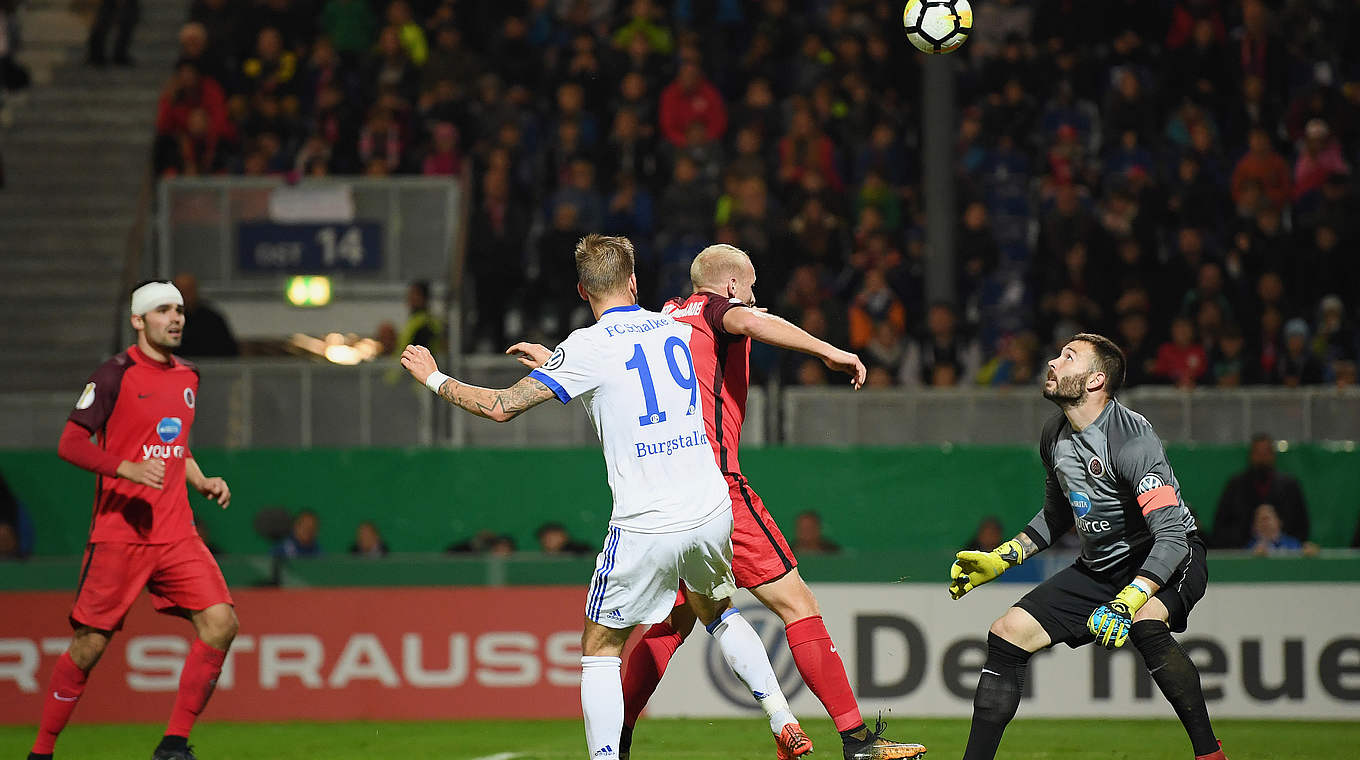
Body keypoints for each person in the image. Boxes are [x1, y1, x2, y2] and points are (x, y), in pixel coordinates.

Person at [401, 234, 809, 760]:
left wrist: (433, 377)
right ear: (634, 280)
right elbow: (632, 379)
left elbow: (501, 406)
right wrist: (557, 364)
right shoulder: (673, 324)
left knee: (600, 649)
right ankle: (782, 717)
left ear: (581, 289)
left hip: (646, 523)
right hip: (709, 510)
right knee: (718, 611)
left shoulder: (587, 348)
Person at [513, 244, 924, 759]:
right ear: (732, 288)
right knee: (798, 606)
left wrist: (556, 361)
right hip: (717, 488)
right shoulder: (718, 311)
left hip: (670, 497)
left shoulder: (666, 315)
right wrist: (831, 352)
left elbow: (619, 358)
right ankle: (857, 742)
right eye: (751, 288)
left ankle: (616, 739)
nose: (756, 299)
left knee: (673, 622)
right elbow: (749, 324)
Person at [948, 334, 1227, 760]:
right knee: (1007, 634)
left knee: (1146, 622)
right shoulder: (1054, 435)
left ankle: (1209, 754)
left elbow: (1170, 536)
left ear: (1096, 381)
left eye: (1067, 357)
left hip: (1168, 558)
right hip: (1099, 567)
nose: (1052, 362)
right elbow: (1057, 518)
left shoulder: (1132, 440)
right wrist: (1001, 557)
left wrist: (1131, 599)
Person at [30, 280, 237, 760]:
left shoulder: (189, 376)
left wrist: (201, 479)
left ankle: (173, 744)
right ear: (139, 320)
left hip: (175, 532)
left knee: (222, 624)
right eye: (163, 310)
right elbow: (71, 444)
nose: (176, 318)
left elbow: (173, 446)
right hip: (120, 534)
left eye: (180, 310)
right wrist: (125, 467)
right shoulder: (113, 375)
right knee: (89, 647)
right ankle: (41, 752)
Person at [1210, 434, 1310, 549]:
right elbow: (1221, 525)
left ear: (1273, 455)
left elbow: (1301, 525)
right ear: (1251, 456)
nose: (1262, 458)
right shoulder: (1235, 486)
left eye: (1266, 453)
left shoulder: (1290, 486)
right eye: (1258, 453)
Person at [172, 273, 238, 357]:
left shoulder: (212, 319)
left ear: (195, 291)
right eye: (181, 291)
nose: (185, 296)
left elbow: (229, 352)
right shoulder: (165, 321)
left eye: (189, 290)